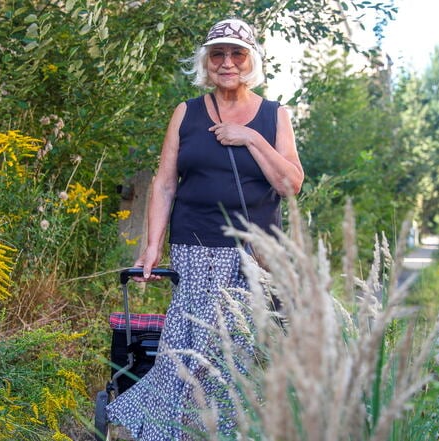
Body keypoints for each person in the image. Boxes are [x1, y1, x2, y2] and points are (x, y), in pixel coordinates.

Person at [106, 18, 304, 440]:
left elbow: (290, 185)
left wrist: (250, 138)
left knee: (231, 350)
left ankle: (176, 425)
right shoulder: (187, 113)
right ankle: (167, 429)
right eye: (218, 54)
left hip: (255, 254)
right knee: (187, 345)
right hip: (195, 243)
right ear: (207, 62)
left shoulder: (275, 116)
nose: (227, 62)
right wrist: (150, 247)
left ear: (251, 61)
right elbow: (164, 182)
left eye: (237, 53)